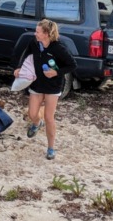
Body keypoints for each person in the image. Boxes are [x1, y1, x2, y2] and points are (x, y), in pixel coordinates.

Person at [14, 19, 76, 160]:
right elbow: (25, 55)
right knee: (32, 114)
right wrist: (19, 68)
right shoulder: (34, 43)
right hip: (37, 83)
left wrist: (56, 72)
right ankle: (36, 123)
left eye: (38, 31)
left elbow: (72, 65)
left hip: (52, 87)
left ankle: (50, 148)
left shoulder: (58, 48)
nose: (35, 33)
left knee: (49, 118)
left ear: (46, 34)